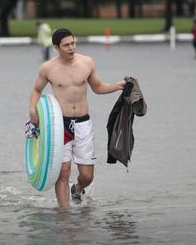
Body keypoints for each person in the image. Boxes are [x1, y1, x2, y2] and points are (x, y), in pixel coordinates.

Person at [28, 28, 126, 207]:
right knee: (63, 171)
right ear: (57, 47)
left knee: (88, 176)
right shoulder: (48, 68)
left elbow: (97, 87)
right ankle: (64, 215)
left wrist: (118, 86)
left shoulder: (87, 62)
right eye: (66, 45)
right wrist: (32, 110)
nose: (71, 48)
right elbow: (36, 90)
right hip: (59, 126)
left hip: (83, 123)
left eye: (73, 43)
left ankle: (78, 189)